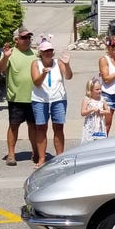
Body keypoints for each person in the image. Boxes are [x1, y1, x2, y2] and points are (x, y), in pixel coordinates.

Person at [0, 27, 39, 166]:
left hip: (34, 97)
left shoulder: (35, 53)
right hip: (16, 97)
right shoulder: (10, 53)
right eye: (24, 38)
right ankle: (11, 154)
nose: (27, 40)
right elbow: (0, 69)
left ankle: (36, 152)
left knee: (33, 126)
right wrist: (6, 57)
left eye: (28, 37)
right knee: (14, 126)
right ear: (16, 40)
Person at [31, 40, 73, 168]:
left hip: (58, 99)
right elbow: (36, 82)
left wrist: (67, 64)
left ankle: (60, 156)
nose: (49, 53)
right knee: (41, 128)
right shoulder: (35, 64)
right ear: (40, 53)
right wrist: (43, 73)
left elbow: (69, 76)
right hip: (40, 99)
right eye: (45, 51)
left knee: (58, 127)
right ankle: (42, 158)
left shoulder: (58, 62)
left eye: (50, 51)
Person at [79, 77, 109, 146]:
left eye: (100, 89)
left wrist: (101, 112)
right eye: (97, 89)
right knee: (89, 143)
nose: (99, 91)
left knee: (100, 142)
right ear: (90, 90)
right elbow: (82, 113)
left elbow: (108, 111)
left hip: (100, 125)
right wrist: (91, 109)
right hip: (90, 125)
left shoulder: (102, 99)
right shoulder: (87, 99)